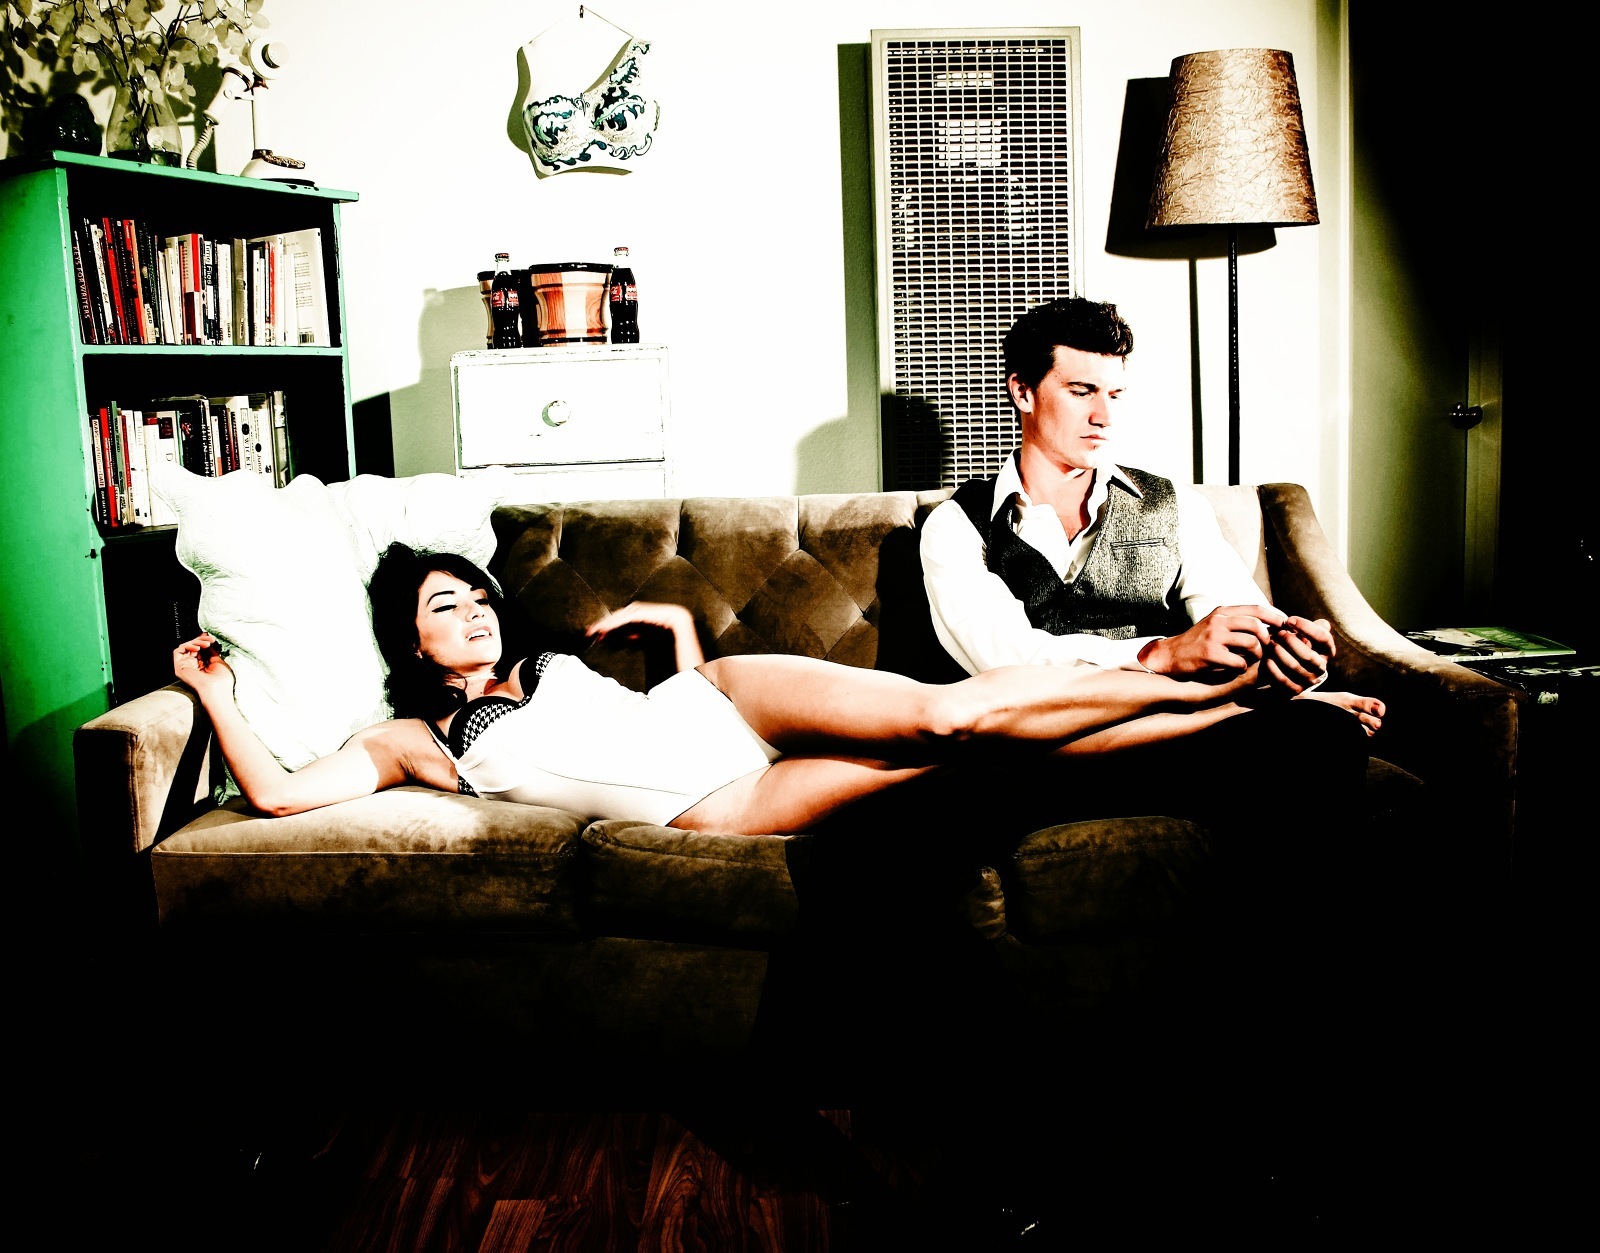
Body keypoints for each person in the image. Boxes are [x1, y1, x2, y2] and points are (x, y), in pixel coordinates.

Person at [171, 542, 1300, 835]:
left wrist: (676, 632)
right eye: (444, 605)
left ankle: (1183, 677)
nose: (474, 611)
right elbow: (274, 793)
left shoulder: (540, 658)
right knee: (972, 756)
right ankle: (1230, 710)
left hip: (722, 702)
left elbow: (648, 712)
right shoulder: (417, 736)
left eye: (478, 595)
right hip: (716, 802)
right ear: (412, 644)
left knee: (947, 708)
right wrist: (214, 693)